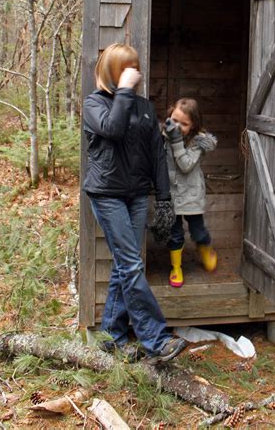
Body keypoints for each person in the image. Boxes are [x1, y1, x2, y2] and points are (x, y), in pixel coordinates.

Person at [82, 43, 186, 363]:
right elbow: (112, 129)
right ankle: (155, 338)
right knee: (130, 264)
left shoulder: (144, 107)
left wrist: (165, 199)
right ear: (113, 71)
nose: (135, 73)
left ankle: (111, 335)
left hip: (138, 195)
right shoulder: (94, 104)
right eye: (127, 68)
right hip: (107, 194)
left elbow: (157, 154)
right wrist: (124, 91)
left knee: (124, 265)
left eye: (136, 67)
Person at [163, 98, 218, 287]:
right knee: (175, 233)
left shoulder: (198, 142)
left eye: (184, 124)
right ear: (170, 115)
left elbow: (185, 165)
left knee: (198, 232)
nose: (177, 127)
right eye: (175, 120)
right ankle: (176, 267)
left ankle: (206, 250)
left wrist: (176, 141)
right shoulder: (164, 135)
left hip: (191, 195)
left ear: (194, 125)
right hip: (171, 193)